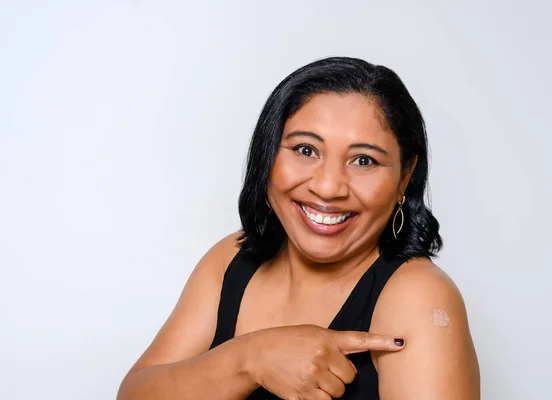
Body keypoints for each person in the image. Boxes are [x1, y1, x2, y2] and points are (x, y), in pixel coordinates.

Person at [117, 57, 480, 399]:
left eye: (364, 160)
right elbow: (134, 393)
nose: (328, 187)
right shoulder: (231, 259)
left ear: (405, 177)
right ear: (268, 154)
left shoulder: (418, 295)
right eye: (306, 150)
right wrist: (249, 360)